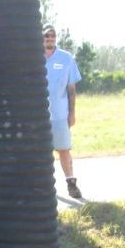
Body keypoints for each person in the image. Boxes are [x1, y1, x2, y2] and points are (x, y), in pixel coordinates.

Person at [42, 24, 84, 201]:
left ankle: (71, 183)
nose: (50, 38)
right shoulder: (32, 58)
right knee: (40, 152)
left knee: (64, 149)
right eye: (46, 36)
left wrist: (72, 113)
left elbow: (72, 89)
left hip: (59, 114)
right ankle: (44, 186)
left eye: (53, 36)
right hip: (37, 116)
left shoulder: (66, 59)